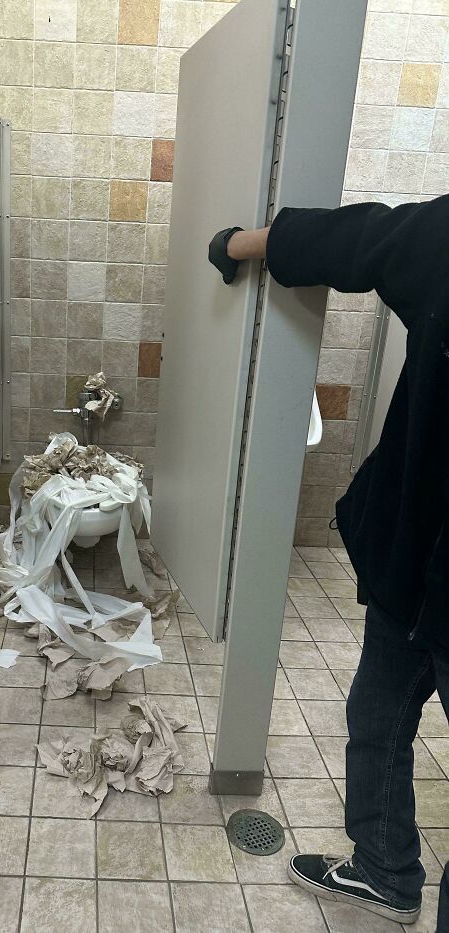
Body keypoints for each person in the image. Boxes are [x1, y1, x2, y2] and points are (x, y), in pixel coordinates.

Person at [209, 196, 449, 930]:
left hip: (425, 565)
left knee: (375, 714)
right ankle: (383, 868)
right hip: (415, 565)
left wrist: (234, 244)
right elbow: (357, 239)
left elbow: (359, 239)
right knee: (375, 714)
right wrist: (239, 245)